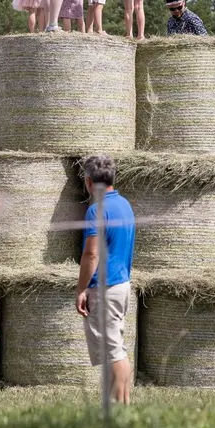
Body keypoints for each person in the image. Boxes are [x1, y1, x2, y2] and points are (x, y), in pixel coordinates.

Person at [75, 154, 136, 404]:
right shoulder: (125, 205)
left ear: (89, 182)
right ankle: (114, 404)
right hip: (122, 285)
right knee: (115, 348)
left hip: (105, 287)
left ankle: (121, 408)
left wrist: (81, 289)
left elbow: (91, 254)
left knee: (115, 353)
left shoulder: (96, 209)